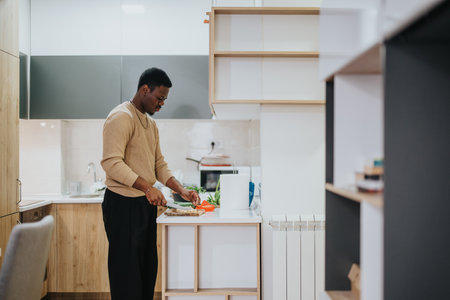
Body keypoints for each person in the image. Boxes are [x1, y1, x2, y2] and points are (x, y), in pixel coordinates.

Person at [101, 67, 200, 300]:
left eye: (164, 99)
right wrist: (148, 188)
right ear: (145, 89)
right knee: (126, 274)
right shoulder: (121, 117)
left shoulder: (150, 124)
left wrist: (181, 190)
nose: (161, 104)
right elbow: (111, 162)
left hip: (143, 206)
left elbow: (159, 165)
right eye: (159, 98)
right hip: (123, 205)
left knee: (146, 270)